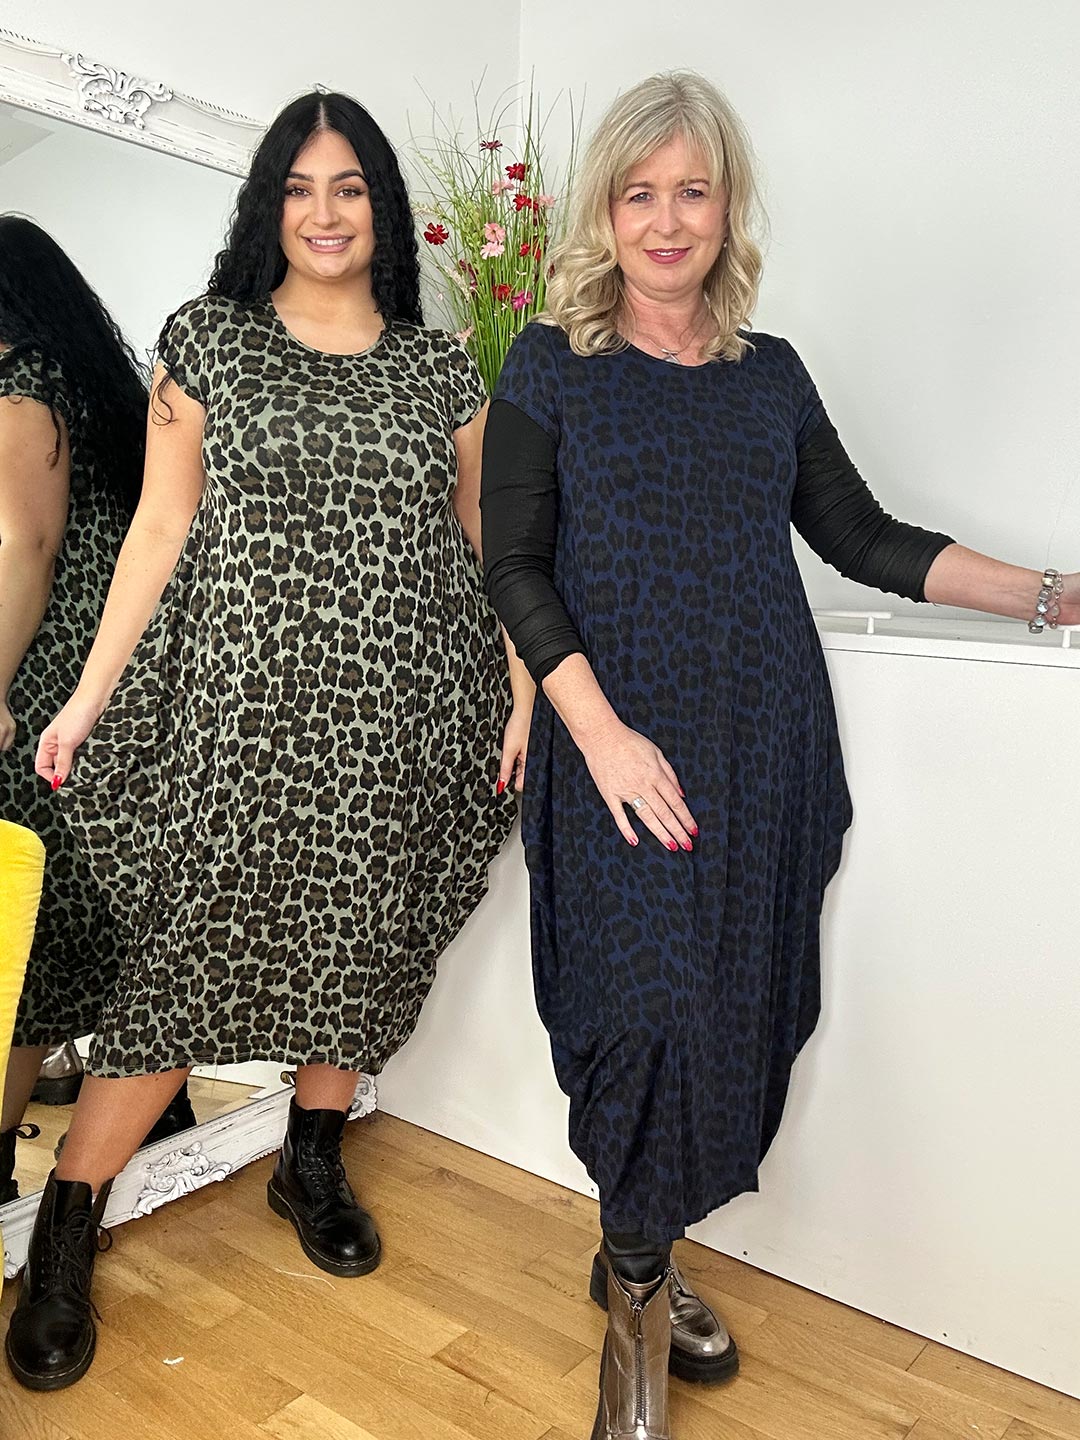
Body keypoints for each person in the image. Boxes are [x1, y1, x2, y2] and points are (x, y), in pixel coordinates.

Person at [480, 70, 1079, 1440]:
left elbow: (865, 540)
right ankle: (636, 1319)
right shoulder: (547, 364)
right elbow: (510, 560)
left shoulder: (772, 378)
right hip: (615, 749)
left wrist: (1053, 593)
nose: (668, 219)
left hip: (760, 744)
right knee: (637, 1022)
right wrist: (603, 733)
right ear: (607, 213)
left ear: (727, 207)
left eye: (693, 190)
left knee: (731, 1025)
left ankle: (635, 1251)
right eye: (641, 193)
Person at [10, 92, 526, 1393]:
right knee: (191, 963)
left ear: (383, 208)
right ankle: (70, 1214)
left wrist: (522, 688)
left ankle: (311, 1156)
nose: (325, 212)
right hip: (239, 720)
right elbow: (158, 533)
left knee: (360, 936)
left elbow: (487, 542)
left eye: (349, 186)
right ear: (268, 206)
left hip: (404, 718)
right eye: (299, 188)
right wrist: (82, 698)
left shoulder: (440, 368)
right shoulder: (211, 343)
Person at [0, 216, 152, 1201]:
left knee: (17, 937)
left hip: (45, 686)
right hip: (103, 694)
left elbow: (20, 542)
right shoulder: (102, 393)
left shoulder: (24, 379)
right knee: (51, 926)